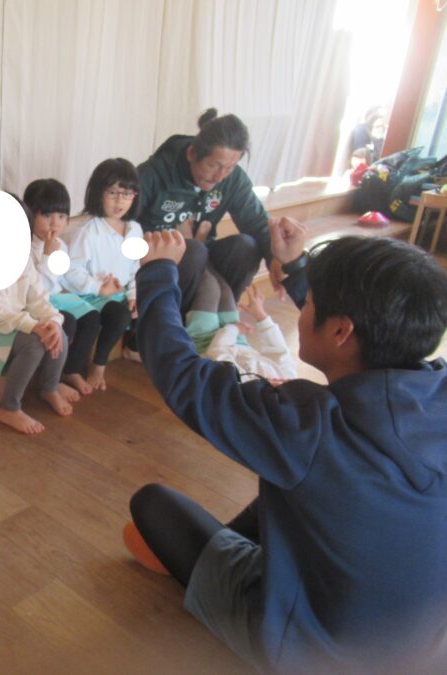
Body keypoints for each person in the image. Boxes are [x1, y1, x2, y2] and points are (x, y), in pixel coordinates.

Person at [124, 222, 447, 672]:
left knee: (153, 505)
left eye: (309, 301)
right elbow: (356, 329)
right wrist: (296, 267)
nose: (302, 306)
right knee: (293, 485)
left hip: (316, 653)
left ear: (341, 330)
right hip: (424, 650)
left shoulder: (307, 426)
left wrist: (158, 273)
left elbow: (181, 377)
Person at [135, 108, 291, 314]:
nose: (220, 177)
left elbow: (258, 224)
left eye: (229, 168)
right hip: (154, 259)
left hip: (201, 256)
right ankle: (170, 320)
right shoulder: (152, 174)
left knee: (245, 247)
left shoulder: (233, 180)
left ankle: (220, 319)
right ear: (192, 154)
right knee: (193, 250)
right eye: (213, 166)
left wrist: (276, 259)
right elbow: (119, 229)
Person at [0, 208, 77, 435]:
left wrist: (51, 320)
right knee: (33, 345)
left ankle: (50, 387)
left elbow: (38, 297)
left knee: (58, 333)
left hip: (14, 318)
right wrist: (33, 326)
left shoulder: (22, 260)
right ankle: (9, 408)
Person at [64, 158, 144, 390]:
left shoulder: (135, 229)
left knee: (132, 311)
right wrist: (98, 288)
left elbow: (135, 267)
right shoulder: (88, 232)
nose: (120, 201)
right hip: (88, 296)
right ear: (98, 192)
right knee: (109, 317)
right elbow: (71, 271)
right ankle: (76, 369)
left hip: (117, 295)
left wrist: (133, 294)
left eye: (127, 194)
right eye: (112, 193)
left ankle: (101, 363)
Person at [24, 178, 102, 396]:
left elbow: (65, 277)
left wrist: (95, 283)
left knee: (92, 317)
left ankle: (71, 369)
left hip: (57, 296)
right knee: (67, 322)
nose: (54, 223)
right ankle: (52, 380)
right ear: (29, 214)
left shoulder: (61, 244)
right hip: (36, 301)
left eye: (61, 216)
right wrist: (48, 254)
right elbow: (36, 288)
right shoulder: (25, 247)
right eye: (47, 215)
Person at [186, 271, 298, 384]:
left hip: (205, 344)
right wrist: (260, 315)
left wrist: (234, 329)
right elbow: (280, 351)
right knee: (225, 291)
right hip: (236, 341)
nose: (282, 380)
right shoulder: (288, 379)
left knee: (209, 286)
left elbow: (218, 354)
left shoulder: (246, 385)